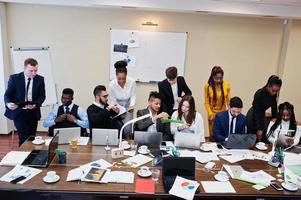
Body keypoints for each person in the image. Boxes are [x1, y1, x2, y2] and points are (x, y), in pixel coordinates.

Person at [4, 58, 45, 146]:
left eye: (36, 70)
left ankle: (31, 157)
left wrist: (35, 105)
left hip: (33, 112)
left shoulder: (40, 79)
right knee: (23, 138)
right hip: (19, 112)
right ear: (24, 68)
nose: (34, 73)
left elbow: (42, 96)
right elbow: (7, 95)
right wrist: (8, 103)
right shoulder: (14, 78)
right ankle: (23, 157)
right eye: (31, 71)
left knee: (31, 137)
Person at [246, 75, 282, 142]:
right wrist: (259, 128)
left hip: (261, 114)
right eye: (273, 90)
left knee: (262, 138)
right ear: (268, 86)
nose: (275, 93)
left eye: (277, 91)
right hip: (253, 115)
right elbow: (257, 112)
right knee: (253, 138)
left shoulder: (274, 95)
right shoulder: (259, 93)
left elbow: (274, 106)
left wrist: (275, 117)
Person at [109, 60, 136, 138]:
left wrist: (131, 106)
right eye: (119, 78)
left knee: (127, 128)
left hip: (128, 107)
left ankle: (128, 143)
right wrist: (120, 111)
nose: (121, 81)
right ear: (116, 75)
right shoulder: (112, 85)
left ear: (126, 75)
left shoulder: (132, 82)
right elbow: (113, 100)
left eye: (123, 78)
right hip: (117, 107)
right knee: (118, 128)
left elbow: (133, 96)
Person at [204, 66, 231, 140]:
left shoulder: (226, 85)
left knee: (222, 135)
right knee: (213, 136)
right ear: (212, 77)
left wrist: (230, 112)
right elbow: (206, 102)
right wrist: (210, 113)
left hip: (223, 112)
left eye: (221, 78)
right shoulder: (207, 86)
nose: (219, 80)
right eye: (216, 78)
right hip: (212, 113)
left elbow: (229, 100)